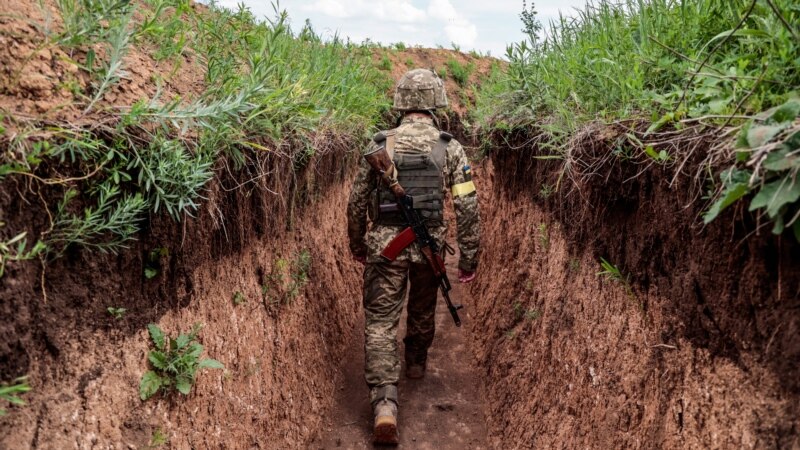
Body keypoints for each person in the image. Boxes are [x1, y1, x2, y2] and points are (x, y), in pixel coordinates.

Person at [346, 68, 481, 444]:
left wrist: (358, 244)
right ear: (436, 103)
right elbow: (467, 206)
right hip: (428, 249)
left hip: (384, 251)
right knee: (422, 309)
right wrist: (469, 258)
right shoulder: (449, 146)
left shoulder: (381, 144)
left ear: (400, 103)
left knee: (381, 322)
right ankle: (416, 362)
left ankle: (385, 405)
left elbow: (356, 202)